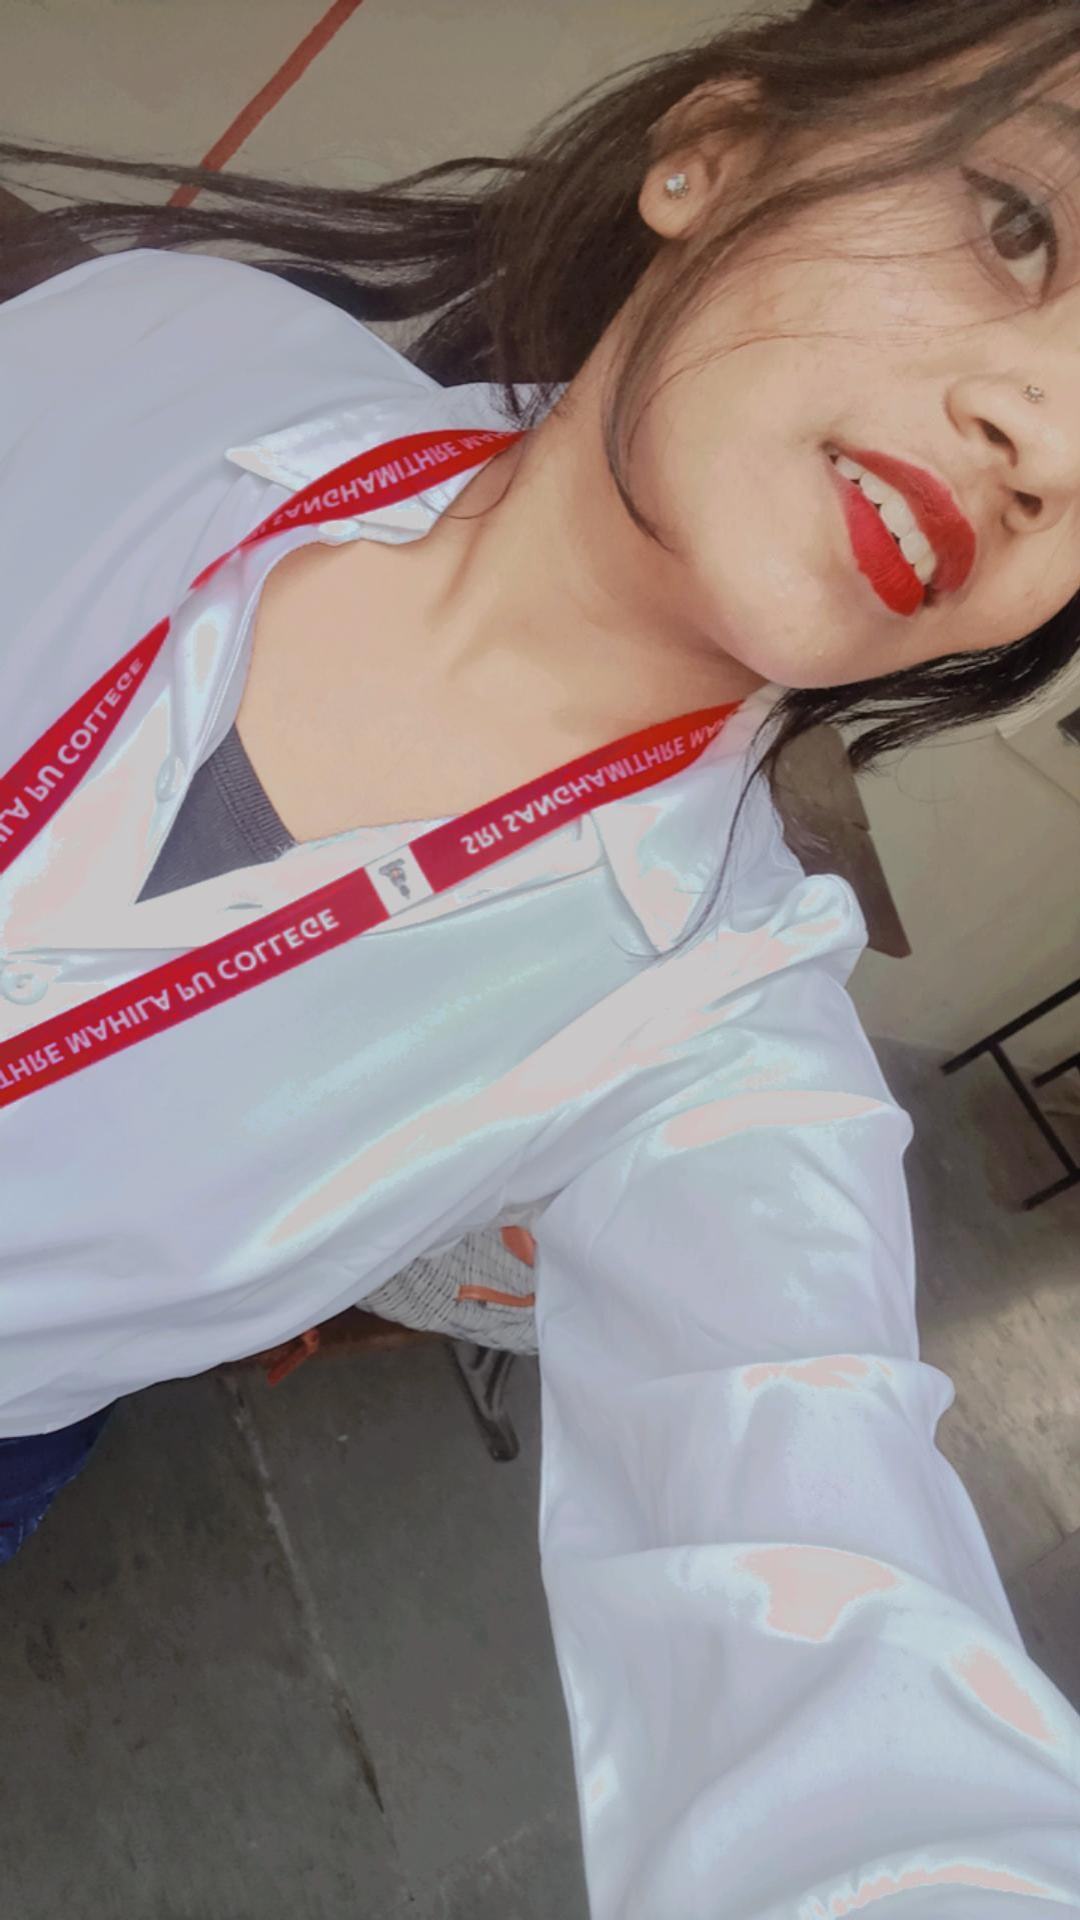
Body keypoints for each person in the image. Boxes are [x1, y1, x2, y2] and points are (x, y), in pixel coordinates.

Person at [2, 0, 1080, 1910]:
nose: (1047, 436)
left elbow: (820, 1594)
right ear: (712, 156)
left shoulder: (717, 1040)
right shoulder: (177, 343)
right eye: (1022, 225)